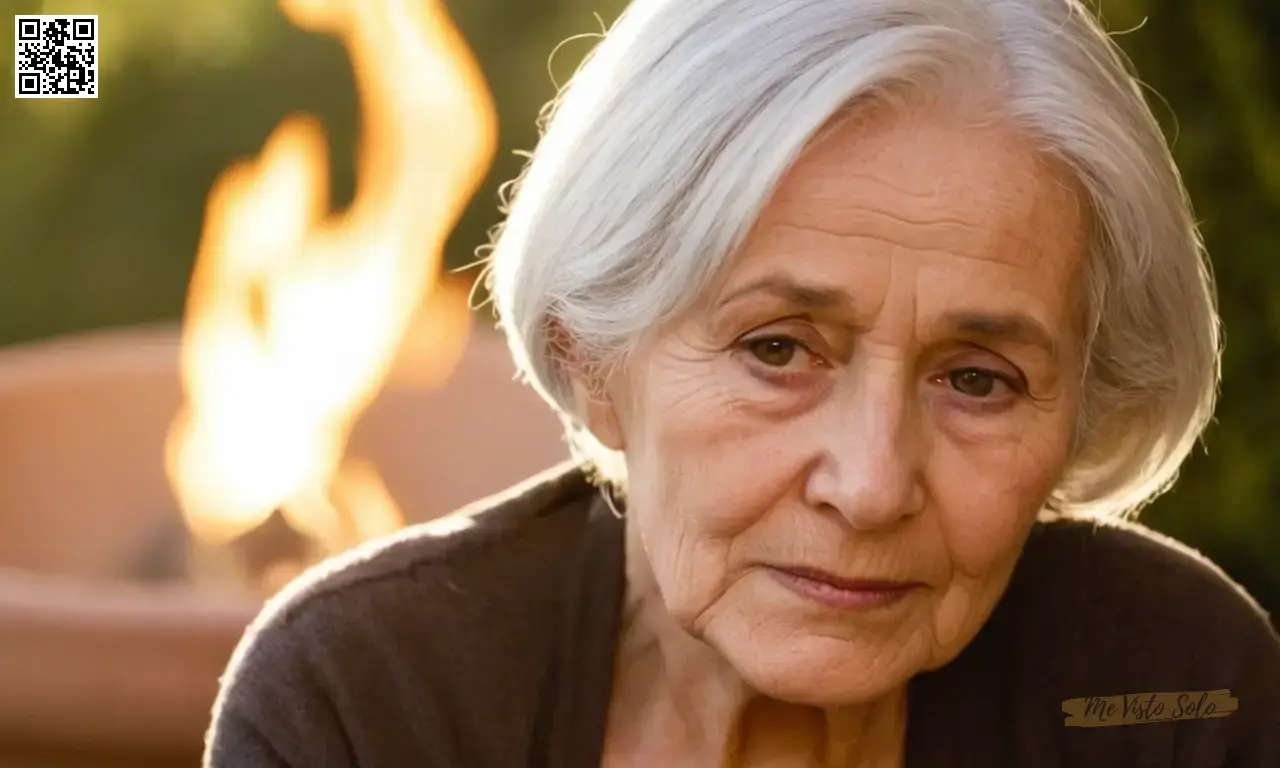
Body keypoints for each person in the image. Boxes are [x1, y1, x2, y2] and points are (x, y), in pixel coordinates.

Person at [204, 0, 1280, 765]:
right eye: (776, 349)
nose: (867, 487)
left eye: (977, 379)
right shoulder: (370, 703)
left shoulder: (1171, 691)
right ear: (590, 363)